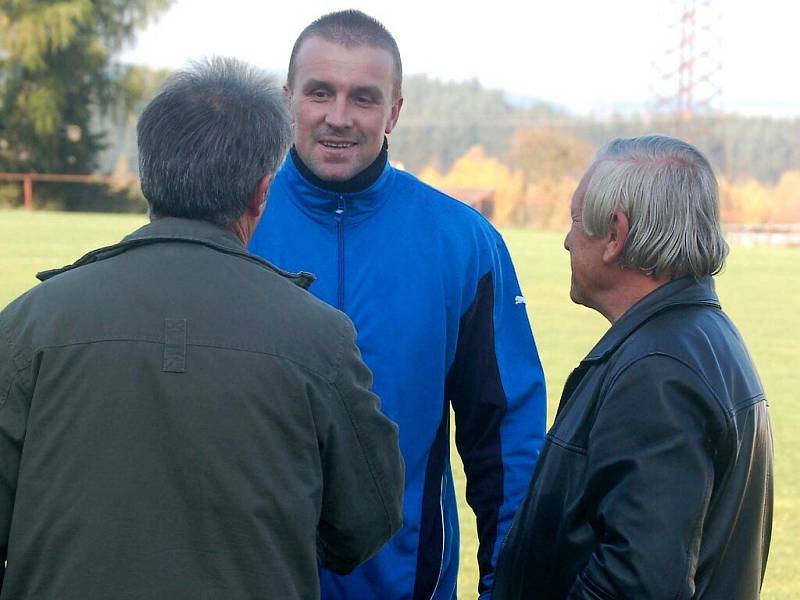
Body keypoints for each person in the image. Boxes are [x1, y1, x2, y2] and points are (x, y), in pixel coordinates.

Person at [0, 57, 404, 600]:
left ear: (148, 179)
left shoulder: (31, 323)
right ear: (263, 191)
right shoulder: (318, 337)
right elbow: (366, 519)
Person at [247, 10, 546, 599]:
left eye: (363, 97)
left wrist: (506, 585)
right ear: (288, 100)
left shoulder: (463, 242)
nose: (338, 117)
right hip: (252, 582)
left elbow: (506, 443)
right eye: (320, 93)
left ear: (395, 111)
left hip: (407, 586)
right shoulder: (233, 222)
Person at [493, 135, 774, 599]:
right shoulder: (701, 339)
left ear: (615, 235)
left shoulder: (659, 371)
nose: (566, 241)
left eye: (576, 222)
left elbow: (637, 584)